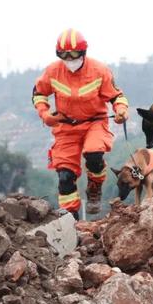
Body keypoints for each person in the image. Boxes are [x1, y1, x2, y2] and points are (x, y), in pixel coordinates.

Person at [32, 28, 129, 220]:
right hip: (66, 127)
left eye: (74, 54)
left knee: (94, 154)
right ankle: (71, 219)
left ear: (83, 52)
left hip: (95, 122)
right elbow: (39, 93)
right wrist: (46, 115)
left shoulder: (99, 71)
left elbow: (117, 96)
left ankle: (95, 187)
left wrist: (121, 110)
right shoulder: (52, 71)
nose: (69, 59)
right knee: (65, 176)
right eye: (64, 55)